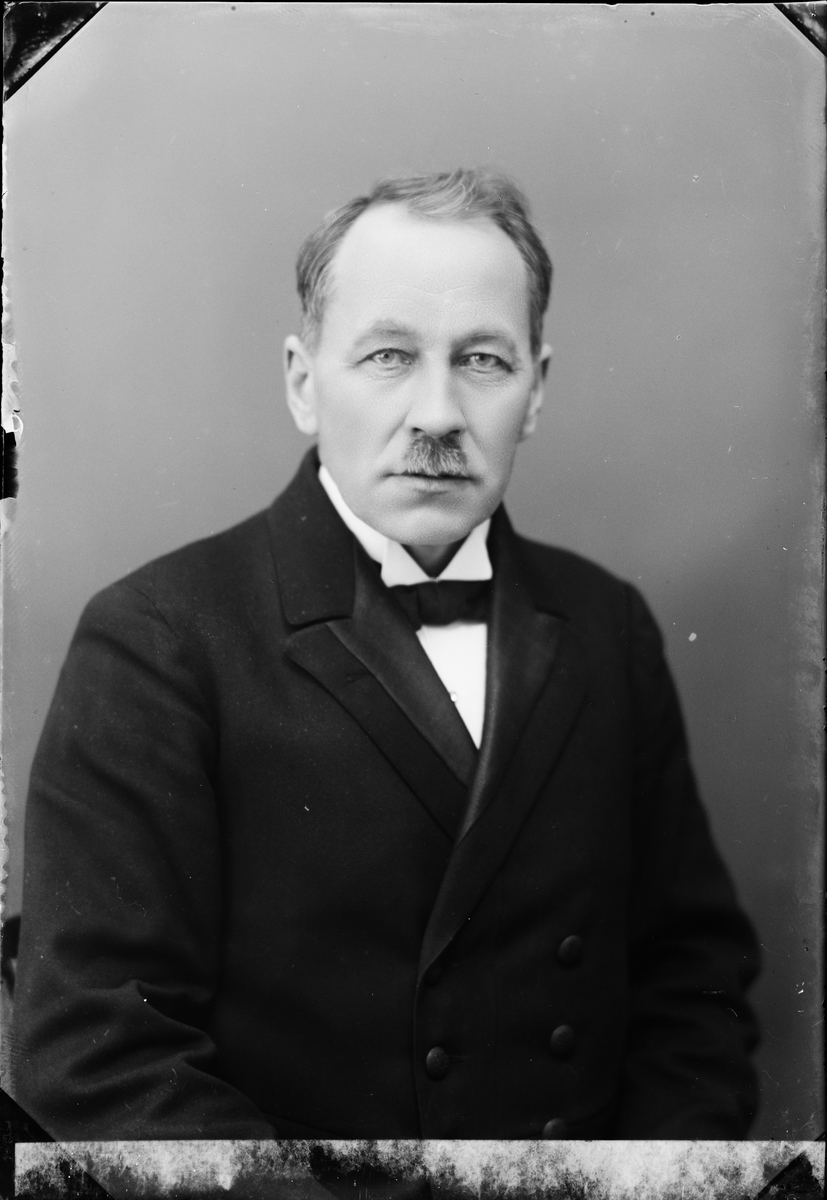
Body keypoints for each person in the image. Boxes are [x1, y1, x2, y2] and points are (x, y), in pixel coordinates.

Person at [12, 169, 760, 1164]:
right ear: (302, 381)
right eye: (388, 355)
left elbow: (692, 988)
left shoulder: (603, 624)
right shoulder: (157, 638)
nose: (437, 412)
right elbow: (98, 1056)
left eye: (482, 360)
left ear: (536, 389)